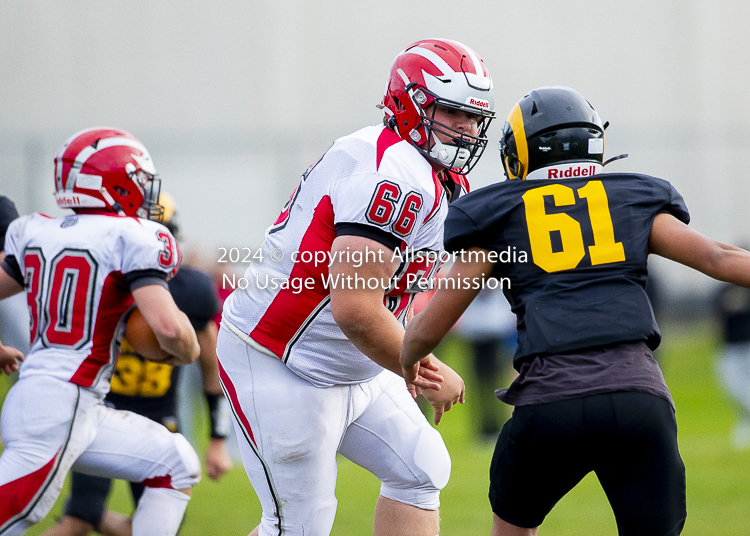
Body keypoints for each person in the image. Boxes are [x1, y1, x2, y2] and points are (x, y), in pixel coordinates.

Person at [401, 85, 750, 536]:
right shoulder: (630, 198)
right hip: (637, 399)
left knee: (514, 529)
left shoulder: (498, 215)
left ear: (521, 152)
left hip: (550, 404)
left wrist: (410, 362)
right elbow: (721, 259)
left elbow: (429, 326)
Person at [217, 38, 495, 536]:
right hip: (284, 360)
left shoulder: (423, 169)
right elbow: (357, 310)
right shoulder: (392, 176)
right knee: (297, 525)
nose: (467, 129)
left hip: (352, 363)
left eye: (474, 117)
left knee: (420, 470)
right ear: (411, 104)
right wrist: (425, 367)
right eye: (453, 113)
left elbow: (407, 286)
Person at [0, 127, 202, 536]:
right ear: (109, 183)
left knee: (175, 461)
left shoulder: (35, 231)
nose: (144, 192)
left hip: (66, 402)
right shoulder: (131, 236)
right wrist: (187, 348)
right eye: (138, 180)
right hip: (62, 404)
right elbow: (167, 325)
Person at [40, 193, 233, 536]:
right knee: (78, 520)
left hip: (158, 417)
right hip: (98, 408)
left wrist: (218, 438)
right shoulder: (99, 279)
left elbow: (211, 367)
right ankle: (88, 514)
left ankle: (92, 515)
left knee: (157, 525)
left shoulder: (190, 290)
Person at [714, 277, 750, 450]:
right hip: (729, 346)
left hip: (747, 343)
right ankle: (746, 420)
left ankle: (745, 423)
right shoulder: (723, 289)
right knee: (731, 385)